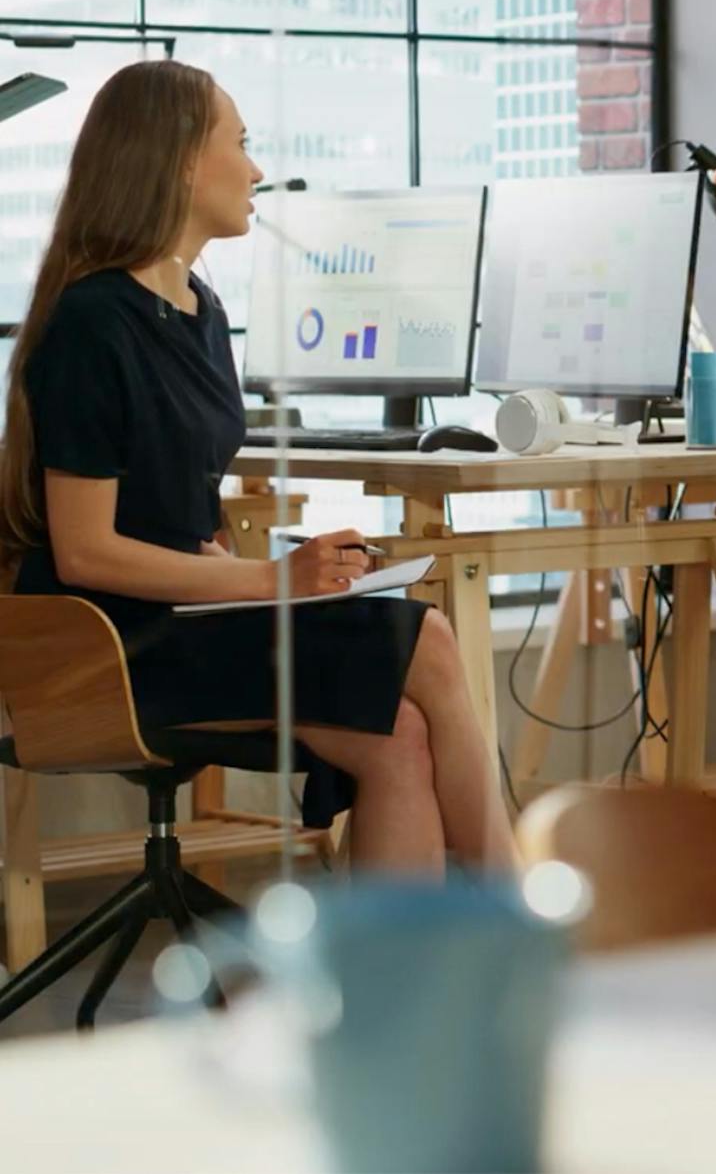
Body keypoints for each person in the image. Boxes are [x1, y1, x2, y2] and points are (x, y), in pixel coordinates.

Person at [0, 61, 514, 873]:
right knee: (433, 642)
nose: (258, 170)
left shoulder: (203, 315)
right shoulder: (92, 323)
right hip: (109, 641)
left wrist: (274, 577)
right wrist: (275, 582)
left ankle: (406, 990)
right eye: (240, 143)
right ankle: (532, 931)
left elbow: (179, 517)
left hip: (191, 615)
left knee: (400, 735)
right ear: (176, 162)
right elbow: (86, 552)